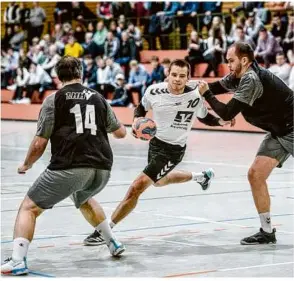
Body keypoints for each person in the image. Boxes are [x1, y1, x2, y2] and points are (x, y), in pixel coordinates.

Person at [83, 59, 235, 246]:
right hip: (155, 144)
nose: (177, 79)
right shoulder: (154, 91)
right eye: (174, 75)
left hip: (173, 150)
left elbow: (205, 118)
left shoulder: (195, 96)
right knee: (160, 181)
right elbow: (141, 108)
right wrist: (137, 122)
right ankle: (202, 177)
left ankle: (105, 231)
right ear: (167, 75)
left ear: (188, 78)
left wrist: (221, 122)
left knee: (137, 187)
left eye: (182, 76)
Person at [1, 56, 127, 276]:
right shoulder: (98, 98)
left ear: (57, 76)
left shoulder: (54, 99)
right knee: (83, 197)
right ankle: (113, 242)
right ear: (81, 73)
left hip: (71, 166)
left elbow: (40, 142)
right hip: (103, 168)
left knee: (28, 208)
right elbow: (120, 132)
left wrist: (26, 165)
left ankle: (18, 260)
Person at [197, 42, 293, 245]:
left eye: (231, 60)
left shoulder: (251, 79)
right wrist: (186, 89)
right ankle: (267, 232)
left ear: (244, 60)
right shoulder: (237, 76)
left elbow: (226, 112)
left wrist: (206, 94)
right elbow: (215, 87)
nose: (228, 64)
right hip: (278, 131)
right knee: (255, 175)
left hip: (292, 128)